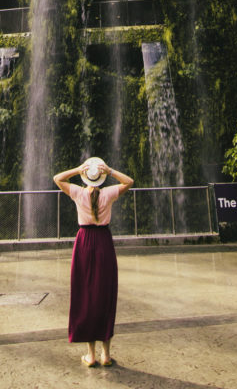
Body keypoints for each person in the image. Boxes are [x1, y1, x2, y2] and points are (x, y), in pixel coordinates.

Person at [53, 157, 134, 368]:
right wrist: (112, 170)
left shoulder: (79, 193)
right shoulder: (108, 193)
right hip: (103, 242)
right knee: (105, 295)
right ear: (102, 177)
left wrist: (76, 169)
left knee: (86, 295)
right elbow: (129, 182)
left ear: (85, 177)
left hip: (84, 242)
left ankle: (91, 355)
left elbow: (57, 178)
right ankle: (106, 354)